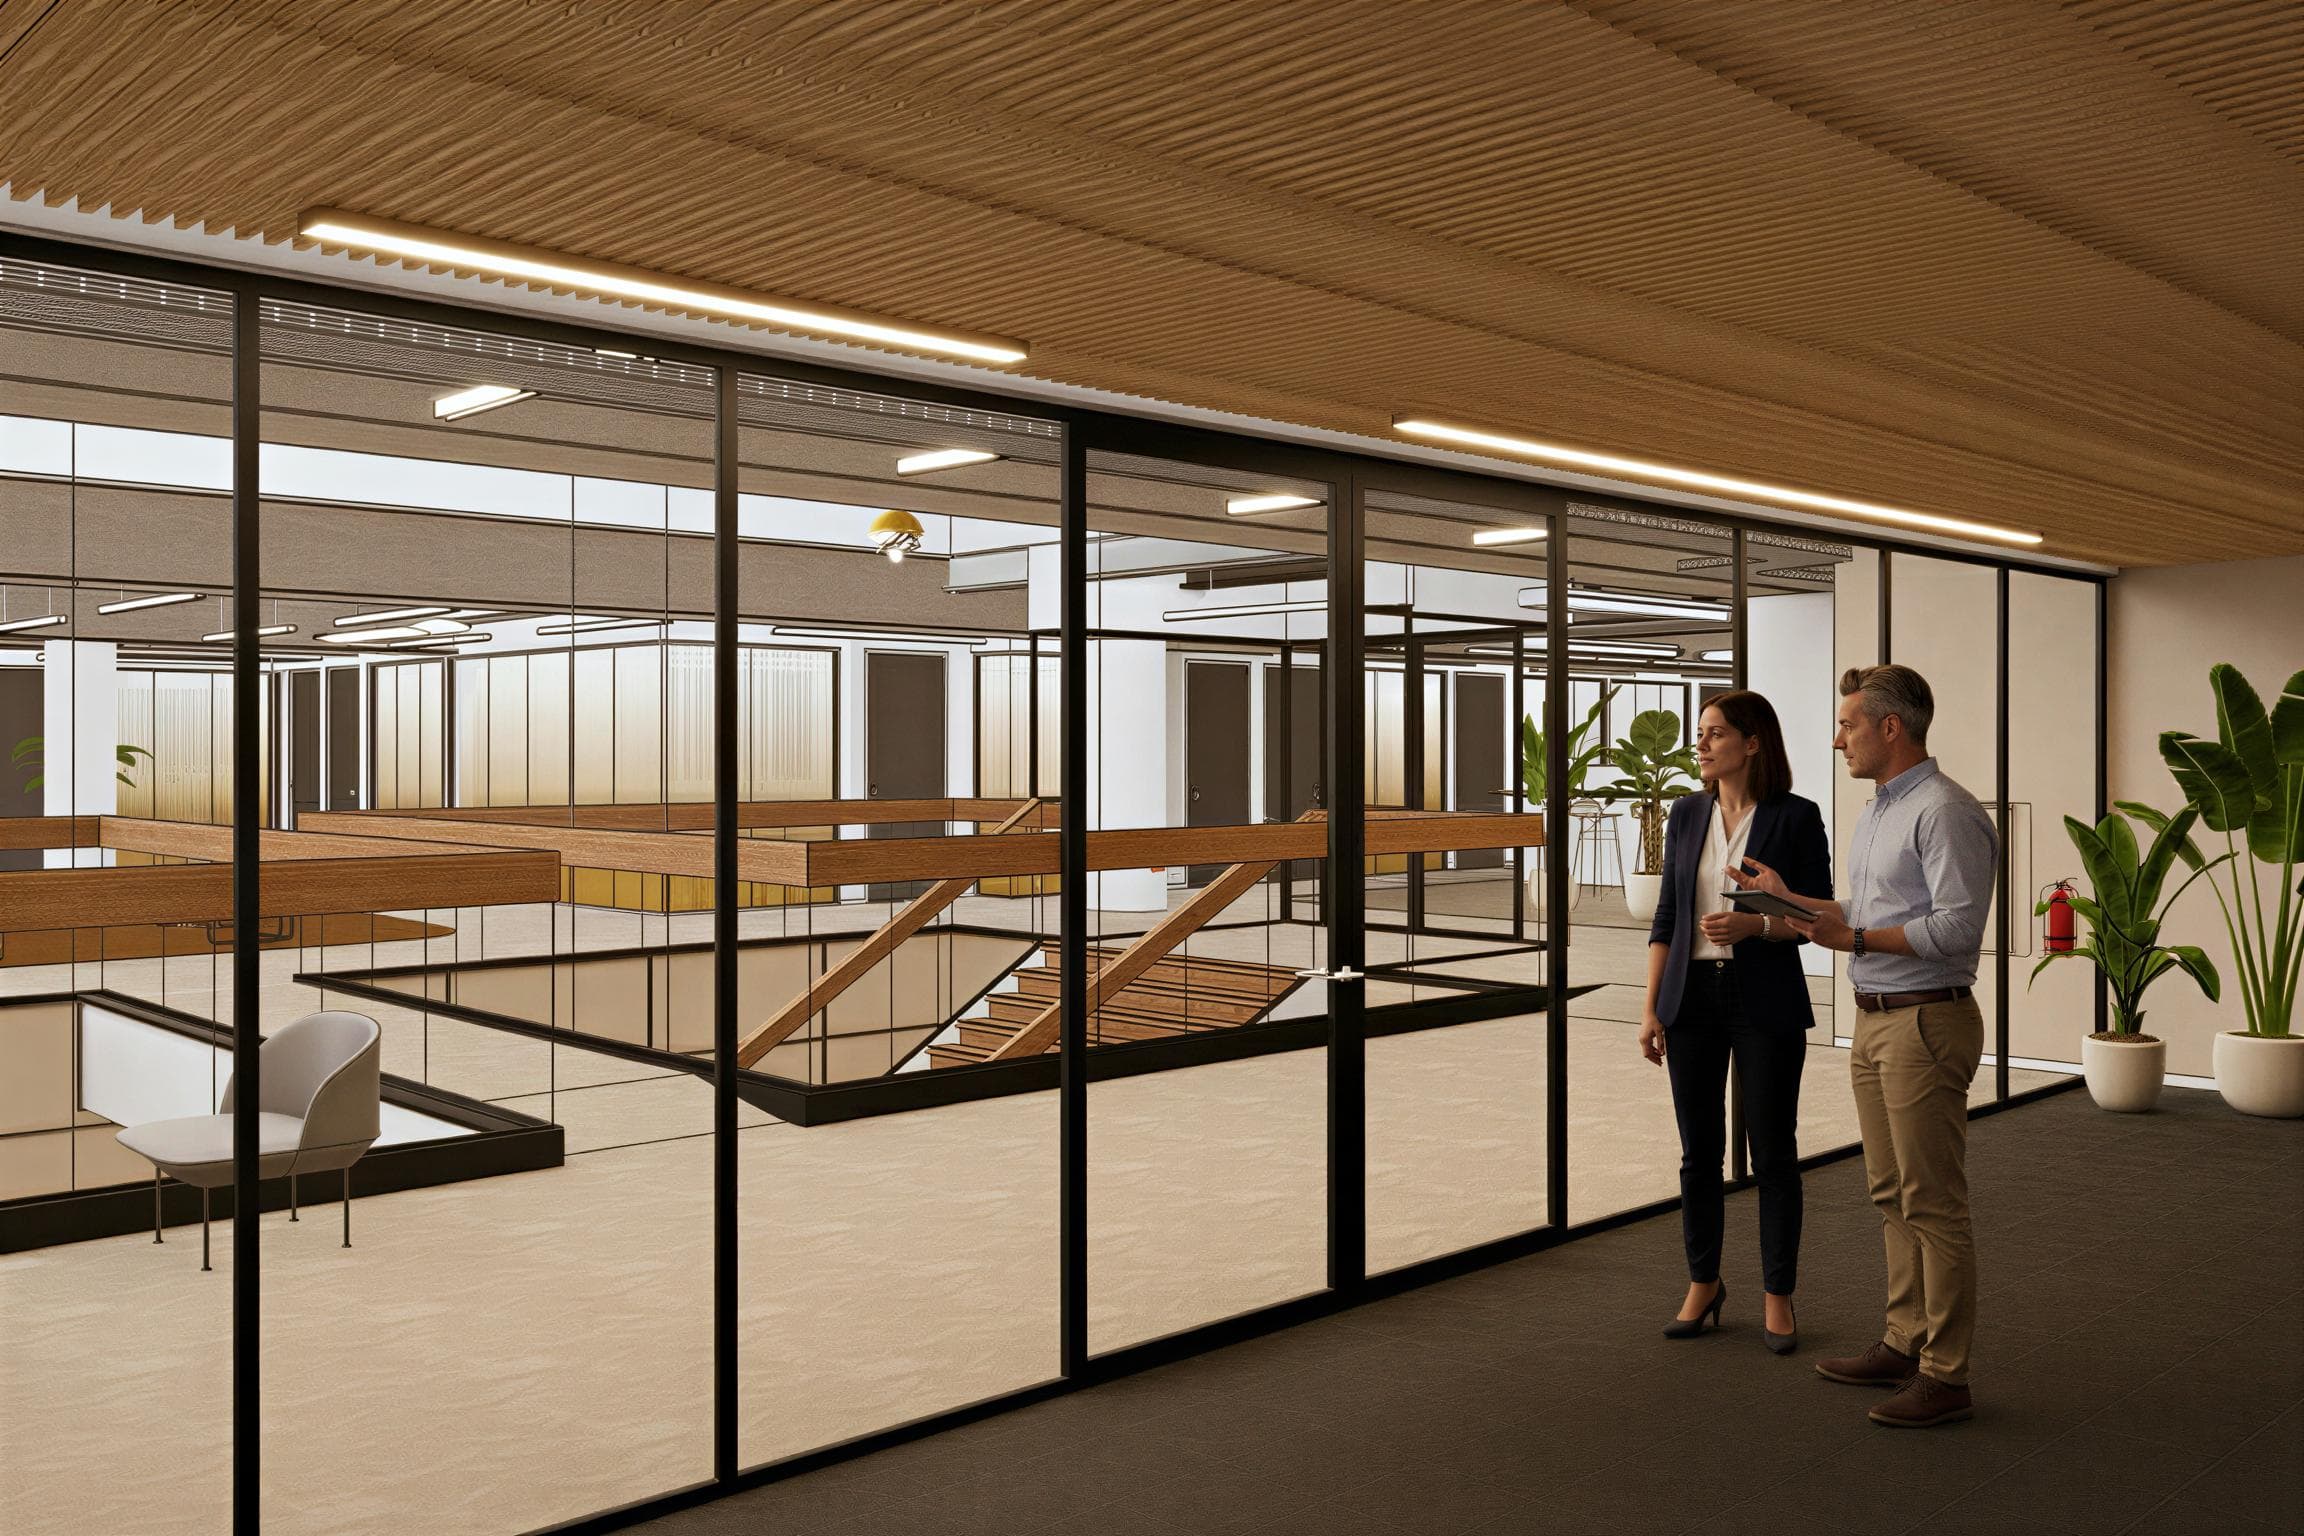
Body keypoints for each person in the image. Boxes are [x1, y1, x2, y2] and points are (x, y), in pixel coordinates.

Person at [1731, 663, 1997, 1429]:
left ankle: (1946, 1375)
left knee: (1933, 1203)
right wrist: (1789, 897)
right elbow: (1865, 909)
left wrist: (1852, 939)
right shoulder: (1882, 809)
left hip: (1925, 1021)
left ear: (1890, 727)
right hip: (1877, 1020)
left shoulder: (1945, 811)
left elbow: (1956, 929)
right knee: (1891, 1194)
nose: (1837, 738)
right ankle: (1904, 1342)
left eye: (1848, 724)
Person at [1640, 691, 1831, 1354]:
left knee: (1773, 1150)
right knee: (1699, 1153)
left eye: (1715, 733)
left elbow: (1818, 919)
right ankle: (1704, 1283)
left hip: (1764, 999)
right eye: (1701, 734)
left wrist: (1759, 926)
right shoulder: (1686, 813)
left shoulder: (1796, 816)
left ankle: (1779, 1294)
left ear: (1752, 743)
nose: (1701, 745)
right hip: (1691, 999)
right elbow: (1668, 917)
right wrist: (1651, 1008)